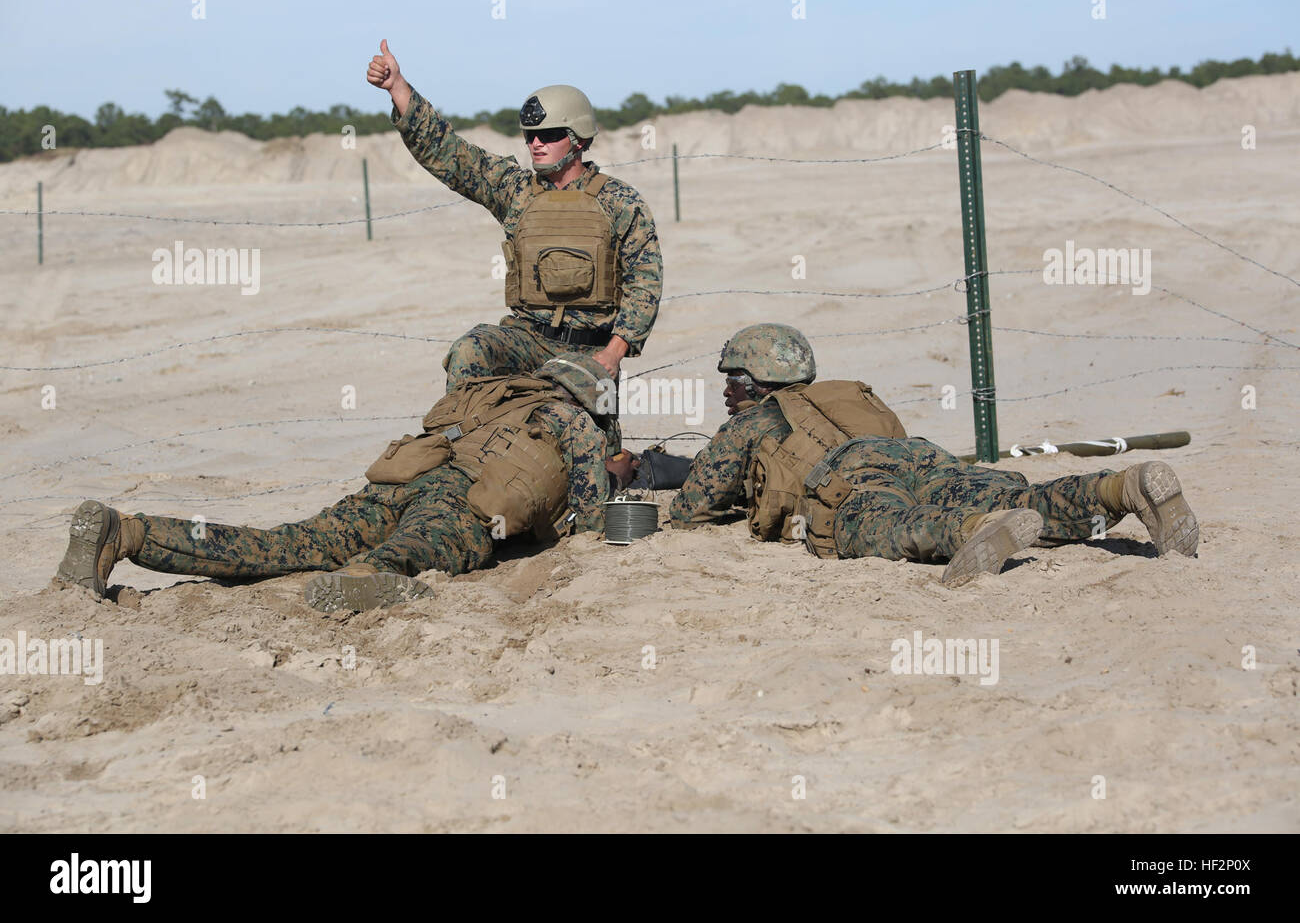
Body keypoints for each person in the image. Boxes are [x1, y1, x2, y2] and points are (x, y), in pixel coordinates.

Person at [54, 355, 638, 612]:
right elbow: (589, 529)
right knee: (414, 552)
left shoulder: (491, 394)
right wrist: (622, 481)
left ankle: (127, 532)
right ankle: (365, 577)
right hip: (462, 504)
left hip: (398, 484)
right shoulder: (576, 425)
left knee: (285, 544)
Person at [668, 324, 1199, 585]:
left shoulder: (752, 422)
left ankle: (974, 529)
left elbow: (691, 511)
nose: (727, 392)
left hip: (851, 477)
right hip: (922, 457)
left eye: (734, 379)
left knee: (880, 526)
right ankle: (1119, 486)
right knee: (1025, 493)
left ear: (760, 382)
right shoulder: (849, 391)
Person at [367, 40, 663, 390]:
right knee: (470, 351)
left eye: (550, 135)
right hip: (525, 341)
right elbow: (451, 155)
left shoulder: (620, 201)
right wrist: (398, 87)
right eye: (530, 135)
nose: (536, 144)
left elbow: (645, 283)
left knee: (563, 429)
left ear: (579, 139)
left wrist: (614, 353)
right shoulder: (515, 190)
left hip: (589, 351)